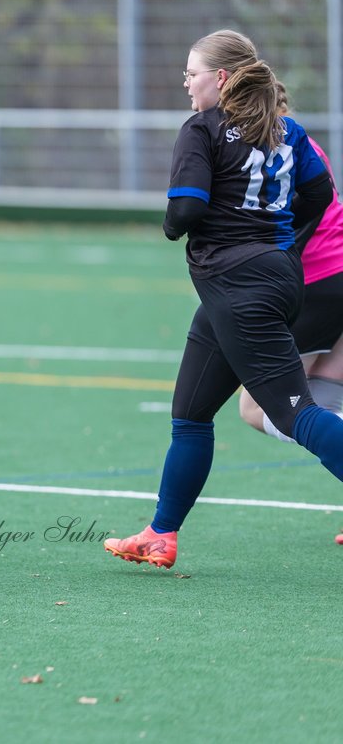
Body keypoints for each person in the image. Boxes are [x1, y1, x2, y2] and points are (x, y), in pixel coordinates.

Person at [104, 29, 343, 569]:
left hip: (239, 286)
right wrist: (275, 234)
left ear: (221, 78)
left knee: (294, 414)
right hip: (270, 279)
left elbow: (183, 216)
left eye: (192, 73)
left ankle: (163, 530)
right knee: (191, 413)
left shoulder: (202, 130)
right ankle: (161, 533)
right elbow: (321, 194)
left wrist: (177, 227)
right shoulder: (290, 131)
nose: (185, 83)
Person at [237, 133, 343, 439]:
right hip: (335, 273)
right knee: (325, 401)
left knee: (255, 409)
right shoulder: (307, 142)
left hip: (319, 279)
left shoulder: (267, 149)